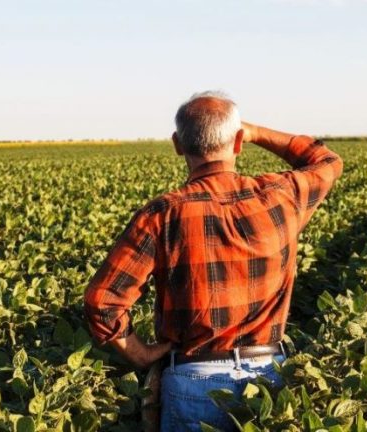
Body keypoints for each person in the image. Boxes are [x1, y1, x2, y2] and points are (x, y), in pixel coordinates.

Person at [83, 91, 343, 431]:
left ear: (178, 144)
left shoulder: (163, 214)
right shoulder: (281, 195)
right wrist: (254, 132)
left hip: (192, 381)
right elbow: (326, 162)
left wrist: (141, 354)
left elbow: (102, 302)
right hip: (267, 379)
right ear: (238, 142)